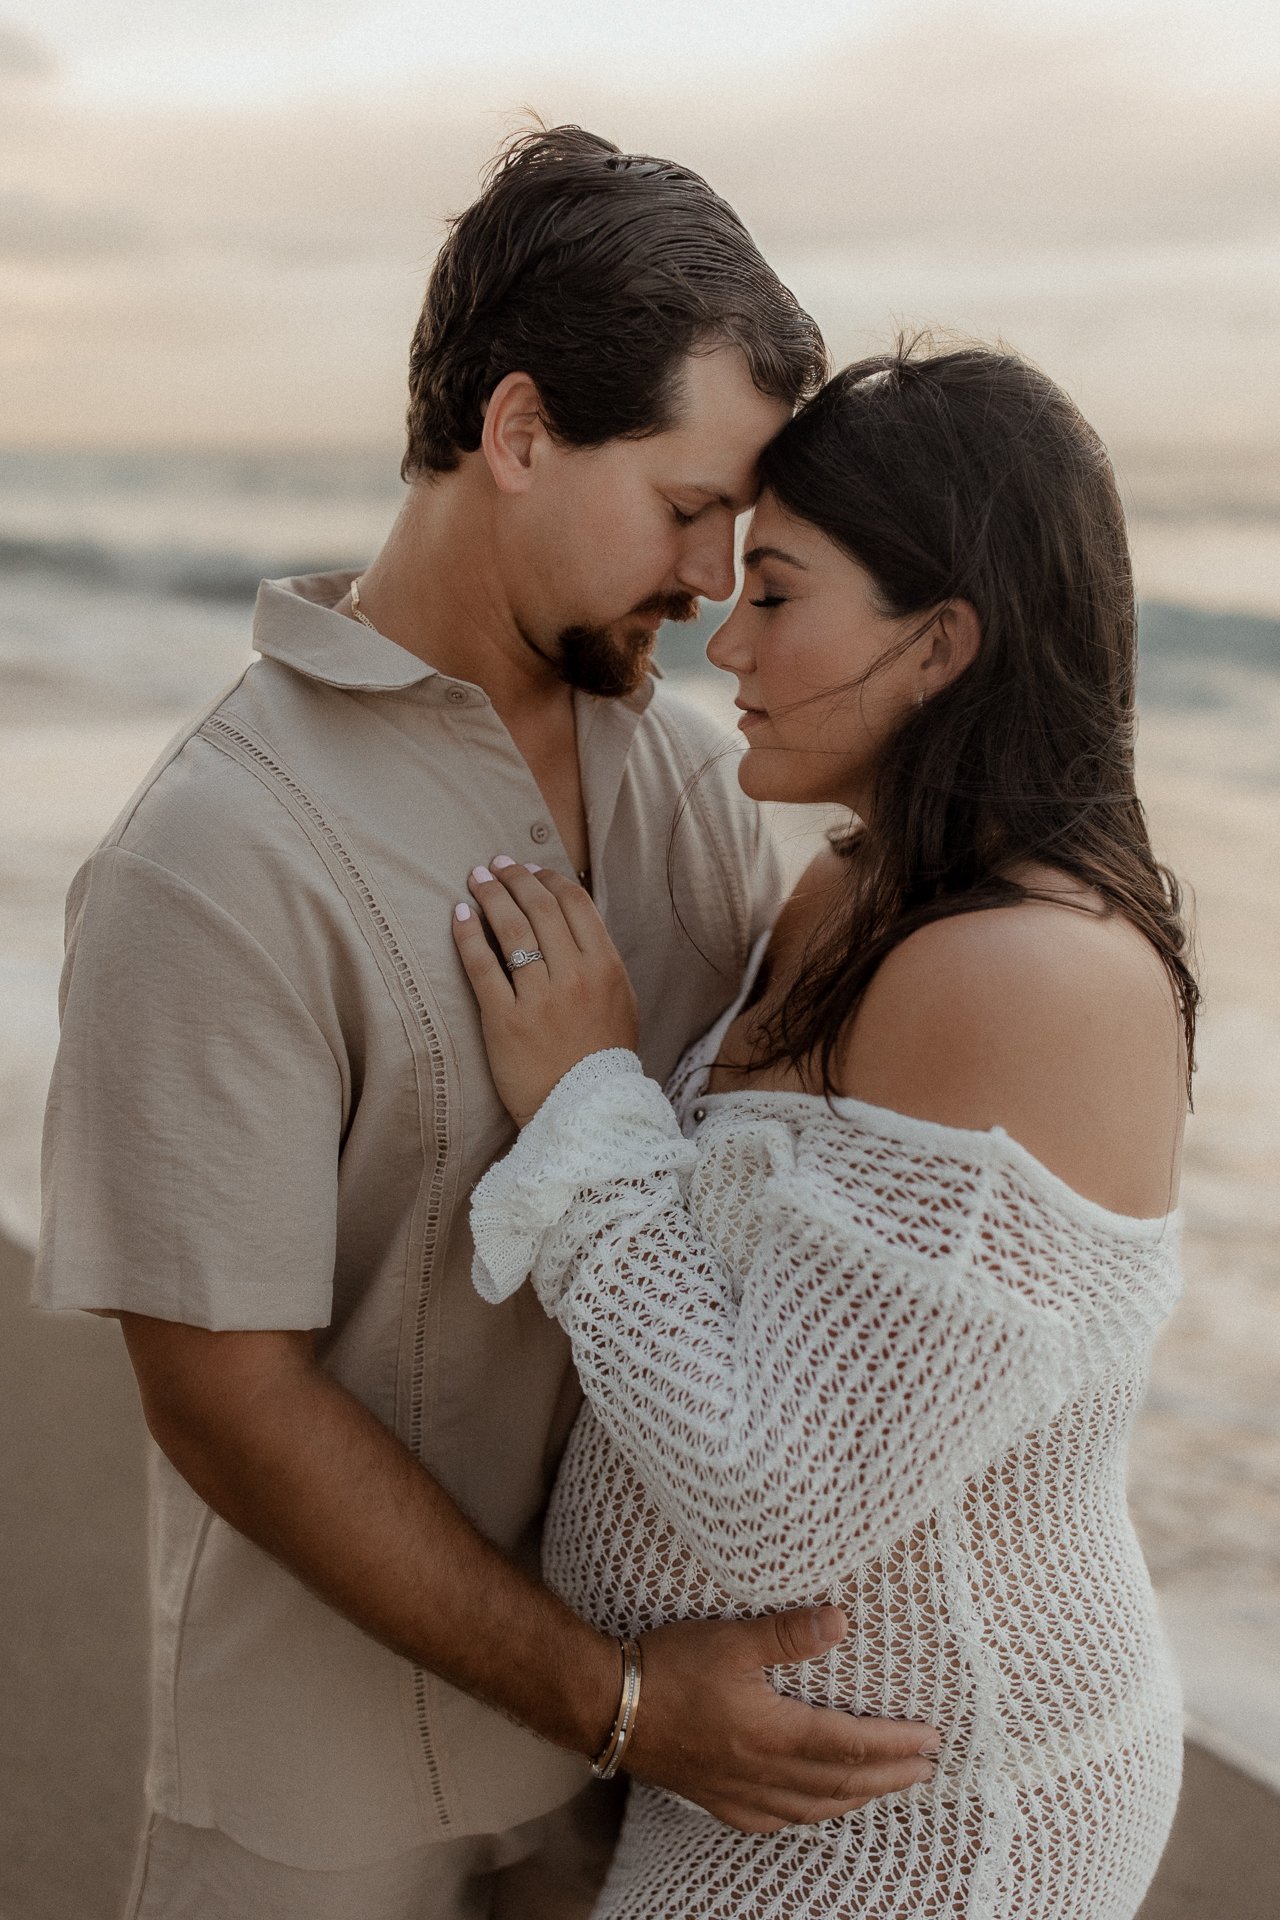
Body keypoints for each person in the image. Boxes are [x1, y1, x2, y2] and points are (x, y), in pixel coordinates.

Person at [34, 132, 938, 1919]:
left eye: (741, 540)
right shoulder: (217, 856)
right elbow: (222, 1397)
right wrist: (611, 1702)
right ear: (520, 433)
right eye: (686, 509)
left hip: (652, 1779)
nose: (707, 583)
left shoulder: (682, 784)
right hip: (326, 1793)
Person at [454, 339, 1196, 1918]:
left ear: (940, 646)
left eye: (778, 594)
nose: (727, 644)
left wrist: (584, 1096)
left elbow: (769, 1500)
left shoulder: (1031, 975)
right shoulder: (852, 889)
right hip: (759, 1773)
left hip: (933, 1813)